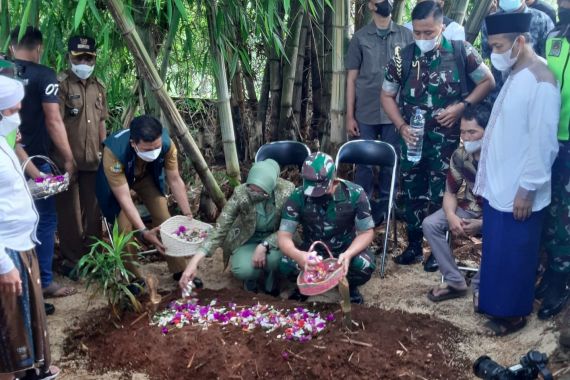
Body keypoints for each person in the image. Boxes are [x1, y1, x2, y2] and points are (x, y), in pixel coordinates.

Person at [380, 1, 494, 271]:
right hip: (412, 140)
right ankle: (414, 245)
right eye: (417, 33)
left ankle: (436, 249)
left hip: (445, 142)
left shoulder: (459, 51)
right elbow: (386, 95)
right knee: (411, 192)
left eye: (429, 33)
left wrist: (461, 107)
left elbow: (487, 81)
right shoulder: (403, 57)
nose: (422, 38)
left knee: (439, 193)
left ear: (442, 26)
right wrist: (400, 126)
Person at [473, 12, 560, 336]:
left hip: (520, 189)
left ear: (520, 42)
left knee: (515, 254)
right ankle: (497, 306)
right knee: (498, 250)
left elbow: (544, 144)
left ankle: (512, 315)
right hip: (502, 183)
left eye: (498, 46)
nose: (494, 53)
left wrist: (527, 189)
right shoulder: (516, 71)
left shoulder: (542, 81)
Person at [9, 27, 77, 302]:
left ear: (12, 48)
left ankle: (18, 282)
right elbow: (53, 120)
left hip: (8, 158)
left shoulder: (4, 71)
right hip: (36, 159)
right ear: (39, 48)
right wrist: (69, 157)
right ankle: (43, 281)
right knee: (45, 219)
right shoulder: (45, 76)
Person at [0, 76, 59, 380]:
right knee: (8, 325)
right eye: (12, 110)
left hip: (21, 243)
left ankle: (29, 371)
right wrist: (3, 265)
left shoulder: (4, 141)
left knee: (24, 318)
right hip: (6, 250)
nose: (18, 116)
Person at [96, 115, 193, 283]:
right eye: (147, 150)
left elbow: (175, 179)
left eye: (156, 147)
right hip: (120, 182)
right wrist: (143, 231)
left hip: (146, 176)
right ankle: (133, 278)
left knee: (164, 217)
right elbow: (124, 198)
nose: (154, 152)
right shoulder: (114, 152)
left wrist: (188, 214)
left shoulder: (167, 144)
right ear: (134, 144)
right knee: (124, 228)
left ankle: (180, 270)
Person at [179, 159, 294, 294]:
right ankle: (251, 280)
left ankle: (271, 279)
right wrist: (194, 262)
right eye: (251, 188)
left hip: (277, 239)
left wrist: (265, 245)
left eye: (260, 192)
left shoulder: (286, 191)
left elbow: (289, 226)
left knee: (276, 260)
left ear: (271, 188)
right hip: (247, 238)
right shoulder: (241, 193)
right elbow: (221, 228)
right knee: (242, 269)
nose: (254, 193)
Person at [345, 0, 413, 223]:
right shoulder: (360, 37)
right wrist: (349, 115)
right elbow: (352, 77)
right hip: (366, 109)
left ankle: (386, 207)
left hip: (394, 111)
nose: (386, 3)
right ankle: (360, 207)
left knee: (390, 159)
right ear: (371, 6)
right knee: (363, 161)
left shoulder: (405, 35)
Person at [277, 152, 376, 304]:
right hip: (311, 255)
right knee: (284, 262)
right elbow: (284, 236)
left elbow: (366, 232)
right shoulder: (298, 196)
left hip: (343, 252)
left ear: (334, 181)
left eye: (321, 189)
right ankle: (304, 285)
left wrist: (349, 254)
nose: (316, 195)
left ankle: (350, 287)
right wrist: (299, 256)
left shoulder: (355, 193)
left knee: (365, 264)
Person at [423, 103, 490, 303]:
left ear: (489, 131)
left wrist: (483, 224)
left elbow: (510, 204)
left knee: (498, 232)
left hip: (497, 213)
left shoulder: (499, 157)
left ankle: (481, 286)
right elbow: (450, 192)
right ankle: (455, 280)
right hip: (470, 206)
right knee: (430, 224)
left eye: (472, 132)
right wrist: (451, 216)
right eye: (463, 132)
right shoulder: (460, 156)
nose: (466, 137)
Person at [55, 36, 107, 277]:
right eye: (79, 57)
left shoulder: (99, 87)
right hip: (67, 158)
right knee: (70, 213)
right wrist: (66, 158)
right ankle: (73, 260)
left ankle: (93, 256)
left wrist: (103, 149)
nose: (84, 62)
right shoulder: (61, 85)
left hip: (93, 159)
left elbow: (101, 122)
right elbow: (54, 122)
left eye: (88, 58)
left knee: (94, 210)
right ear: (70, 57)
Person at [538, 0, 570, 320]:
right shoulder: (555, 37)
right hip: (551, 139)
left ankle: (561, 280)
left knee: (567, 213)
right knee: (548, 206)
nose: (563, 4)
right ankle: (551, 270)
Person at [480, 0, 554, 100]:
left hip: (530, 92)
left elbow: (549, 61)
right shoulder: (490, 22)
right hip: (498, 92)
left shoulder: (541, 20)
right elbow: (487, 54)